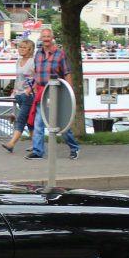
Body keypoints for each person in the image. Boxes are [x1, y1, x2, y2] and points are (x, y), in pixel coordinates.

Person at [26, 27, 80, 160]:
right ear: (41, 38)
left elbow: (67, 73)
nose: (46, 39)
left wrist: (69, 92)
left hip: (56, 92)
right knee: (38, 123)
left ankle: (74, 148)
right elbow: (36, 73)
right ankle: (38, 151)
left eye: (48, 37)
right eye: (43, 37)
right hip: (42, 92)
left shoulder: (59, 54)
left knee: (61, 123)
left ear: (52, 38)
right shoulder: (38, 54)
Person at [1, 38, 37, 153]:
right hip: (19, 94)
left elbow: (38, 78)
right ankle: (36, 145)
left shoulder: (32, 62)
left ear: (30, 49)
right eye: (20, 47)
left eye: (24, 47)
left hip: (29, 95)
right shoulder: (18, 62)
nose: (21, 49)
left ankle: (11, 143)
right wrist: (15, 91)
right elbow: (18, 77)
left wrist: (28, 91)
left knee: (21, 119)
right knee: (29, 120)